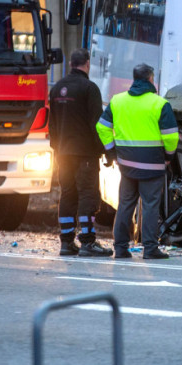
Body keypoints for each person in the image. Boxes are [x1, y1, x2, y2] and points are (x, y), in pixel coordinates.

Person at [97, 64, 178, 260]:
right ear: (151, 79)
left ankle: (121, 248)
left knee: (125, 204)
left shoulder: (118, 101)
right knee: (150, 205)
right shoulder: (159, 104)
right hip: (152, 165)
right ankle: (150, 249)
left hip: (127, 165)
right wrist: (168, 157)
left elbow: (102, 127)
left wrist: (112, 152)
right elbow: (171, 137)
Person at [48, 48, 112, 258]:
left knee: (67, 193)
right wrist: (104, 151)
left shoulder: (57, 88)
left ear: (70, 64)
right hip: (84, 154)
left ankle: (66, 242)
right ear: (87, 64)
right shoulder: (89, 88)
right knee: (88, 195)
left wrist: (57, 148)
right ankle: (88, 241)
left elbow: (53, 123)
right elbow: (97, 123)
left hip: (63, 153)